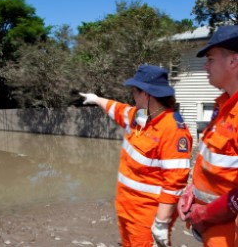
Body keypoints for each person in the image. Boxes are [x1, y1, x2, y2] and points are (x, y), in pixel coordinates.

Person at [79, 64, 192, 247]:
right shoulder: (139, 116)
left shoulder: (172, 129)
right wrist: (96, 99)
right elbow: (116, 108)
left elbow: (175, 182)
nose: (132, 96)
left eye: (134, 91)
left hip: (146, 216)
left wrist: (161, 223)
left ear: (146, 94)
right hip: (125, 208)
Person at [177, 25, 238, 246]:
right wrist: (191, 190)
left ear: (233, 61)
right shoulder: (223, 106)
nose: (205, 65)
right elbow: (212, 164)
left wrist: (205, 214)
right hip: (212, 231)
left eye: (210, 59)